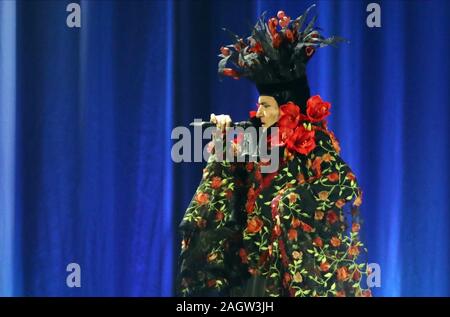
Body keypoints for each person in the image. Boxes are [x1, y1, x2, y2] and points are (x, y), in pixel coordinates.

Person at [176, 5, 371, 297]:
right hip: (256, 270)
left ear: (288, 109)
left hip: (295, 270)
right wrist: (224, 132)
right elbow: (233, 158)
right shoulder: (255, 136)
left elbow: (344, 183)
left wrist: (292, 202)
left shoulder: (314, 141)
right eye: (260, 105)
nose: (260, 112)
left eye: (266, 106)